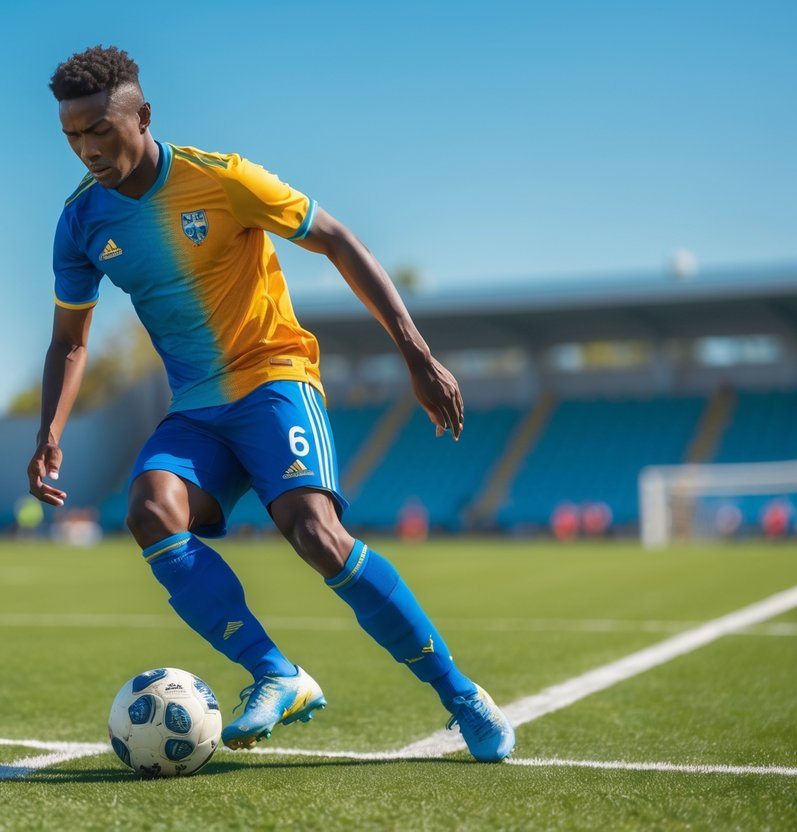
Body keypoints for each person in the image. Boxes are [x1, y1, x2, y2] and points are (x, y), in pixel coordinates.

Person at [28, 45, 514, 761]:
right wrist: (48, 431)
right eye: (72, 136)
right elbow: (70, 340)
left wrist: (415, 353)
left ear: (142, 116)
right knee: (148, 510)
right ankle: (275, 674)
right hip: (195, 406)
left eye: (99, 129)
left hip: (272, 377)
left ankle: (460, 693)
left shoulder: (221, 180)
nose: (87, 150)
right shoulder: (79, 224)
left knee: (313, 533)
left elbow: (338, 241)